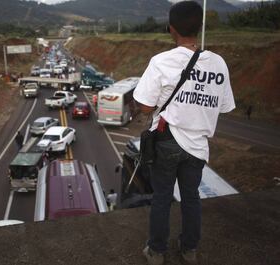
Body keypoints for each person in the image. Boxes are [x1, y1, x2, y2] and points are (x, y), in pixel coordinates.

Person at [133, 2, 235, 265]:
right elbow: (223, 106)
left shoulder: (161, 61)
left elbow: (145, 105)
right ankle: (189, 249)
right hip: (198, 146)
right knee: (191, 197)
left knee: (162, 198)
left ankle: (156, 252)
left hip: (167, 142)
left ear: (171, 29)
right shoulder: (218, 63)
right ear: (200, 27)